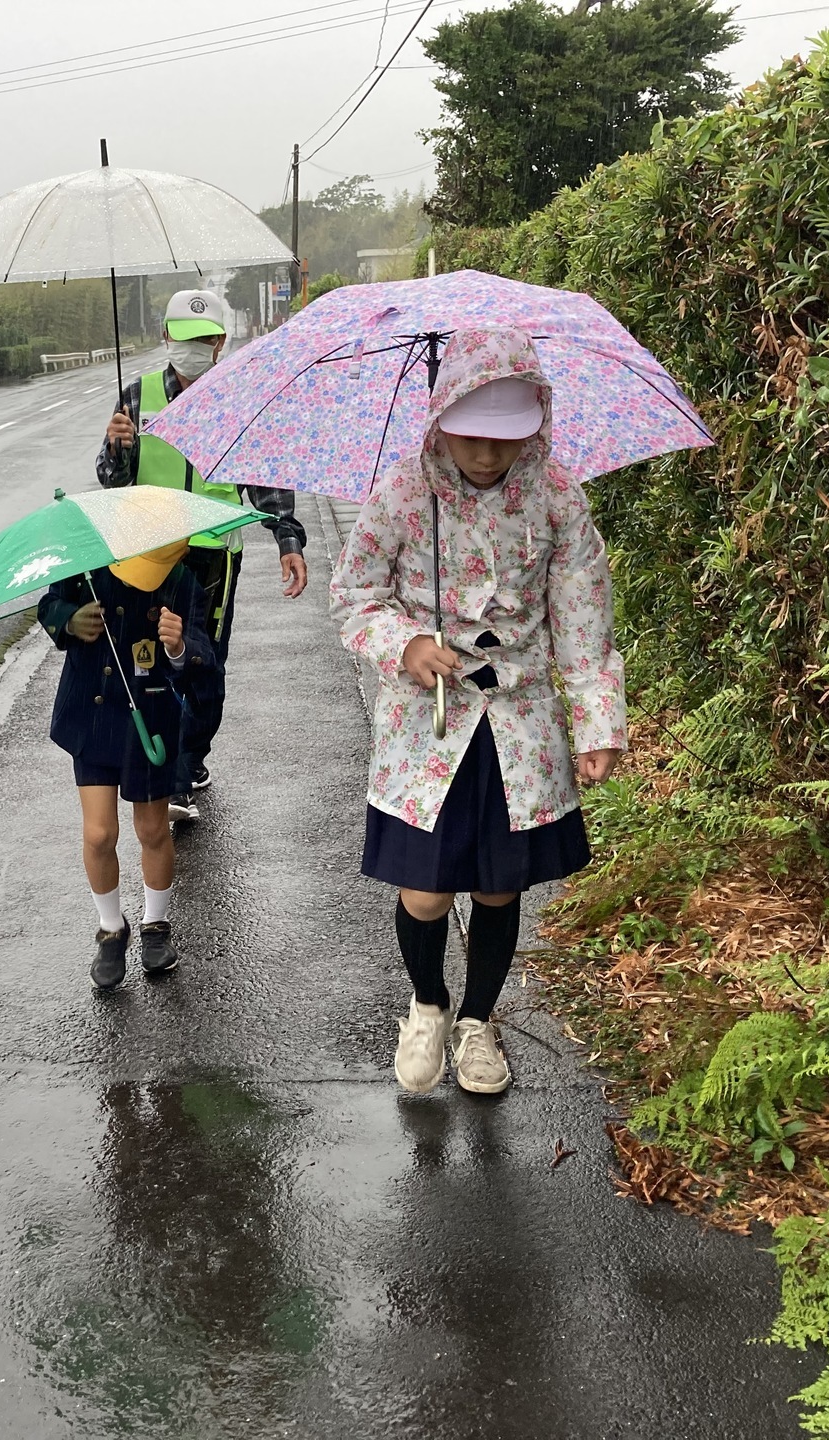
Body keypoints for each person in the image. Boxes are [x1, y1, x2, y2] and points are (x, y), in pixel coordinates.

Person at [328, 329, 627, 1096]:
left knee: (500, 887)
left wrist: (597, 723)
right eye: (471, 436)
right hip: (427, 726)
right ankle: (427, 1004)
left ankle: (479, 1021)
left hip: (520, 722)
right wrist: (406, 641)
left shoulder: (556, 496)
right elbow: (355, 596)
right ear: (440, 417)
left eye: (506, 438)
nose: (488, 456)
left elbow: (584, 614)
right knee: (425, 890)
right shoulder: (402, 494)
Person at [97, 289, 308, 822]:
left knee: (202, 664)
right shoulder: (137, 396)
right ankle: (167, 769)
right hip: (147, 552)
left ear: (221, 342)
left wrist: (287, 539)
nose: (196, 348)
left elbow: (263, 478)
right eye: (185, 338)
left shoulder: (236, 399)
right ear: (167, 337)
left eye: (207, 339)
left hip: (213, 556)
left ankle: (190, 762)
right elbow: (108, 480)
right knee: (149, 661)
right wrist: (118, 448)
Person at [38, 540, 215, 990]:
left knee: (153, 830)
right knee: (99, 833)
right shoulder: (87, 566)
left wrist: (179, 648)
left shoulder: (182, 580)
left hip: (149, 723)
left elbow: (205, 655)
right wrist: (68, 620)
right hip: (91, 717)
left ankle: (156, 926)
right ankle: (111, 929)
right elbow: (49, 604)